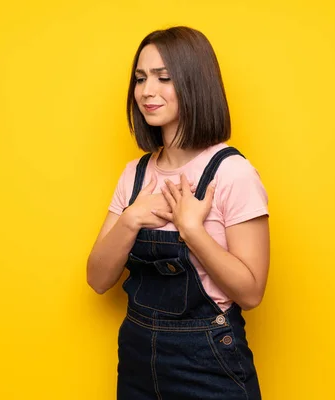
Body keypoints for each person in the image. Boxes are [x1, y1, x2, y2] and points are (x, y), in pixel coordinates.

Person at [87, 26, 270, 400]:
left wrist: (192, 230)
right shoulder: (135, 174)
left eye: (163, 78)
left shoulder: (232, 173)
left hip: (207, 361)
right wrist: (131, 218)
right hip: (138, 357)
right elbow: (97, 278)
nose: (146, 91)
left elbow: (251, 293)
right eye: (140, 79)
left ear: (194, 82)